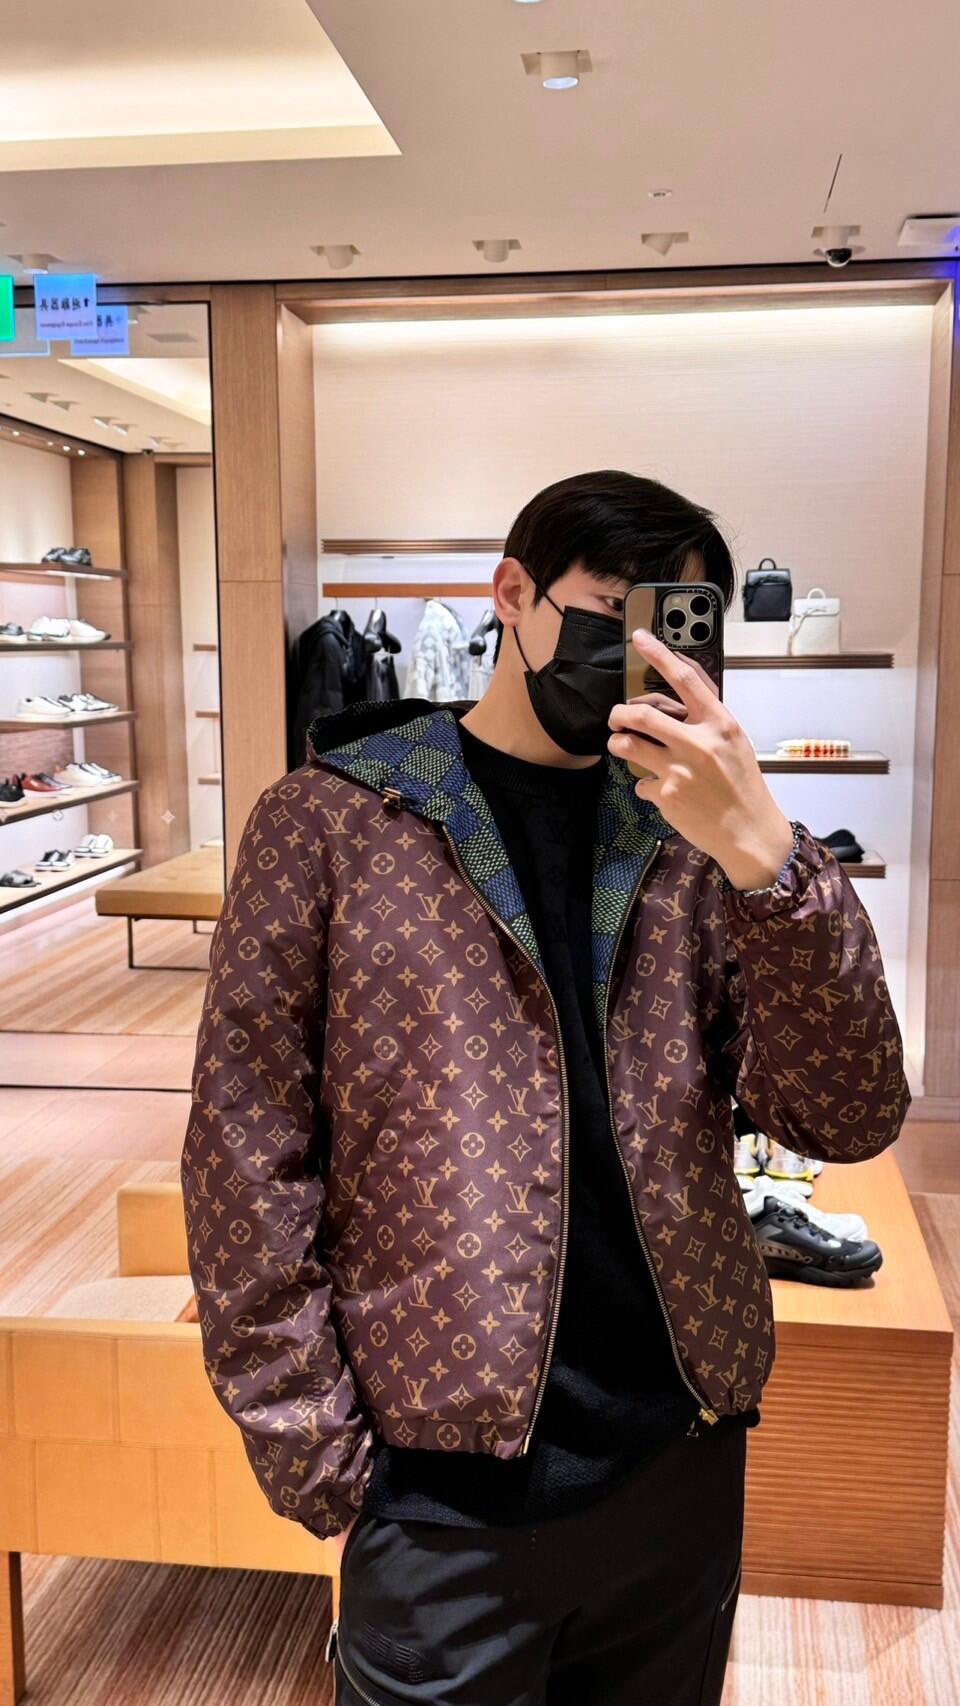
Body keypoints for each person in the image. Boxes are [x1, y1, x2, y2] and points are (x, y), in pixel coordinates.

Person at [181, 470, 909, 1705]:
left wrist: (771, 863)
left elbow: (844, 1112)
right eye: (613, 610)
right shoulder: (334, 821)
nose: (638, 652)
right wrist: (322, 1451)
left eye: (676, 623)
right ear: (511, 593)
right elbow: (244, 1152)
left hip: (678, 1460)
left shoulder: (696, 842)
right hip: (440, 1491)